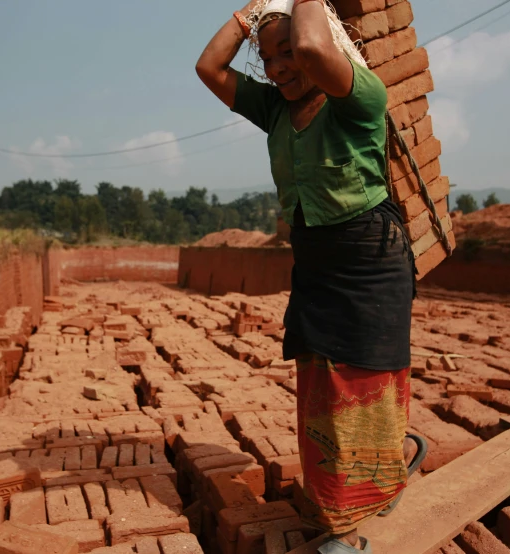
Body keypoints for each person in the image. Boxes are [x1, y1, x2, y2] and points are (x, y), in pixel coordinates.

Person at [196, 0, 427, 552]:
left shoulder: (359, 95)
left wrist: (301, 0)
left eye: (288, 52)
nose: (279, 67)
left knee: (362, 387)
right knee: (320, 391)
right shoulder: (273, 109)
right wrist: (251, 15)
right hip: (317, 263)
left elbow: (313, 49)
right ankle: (363, 488)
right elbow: (209, 68)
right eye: (267, 57)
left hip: (370, 261)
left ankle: (344, 532)